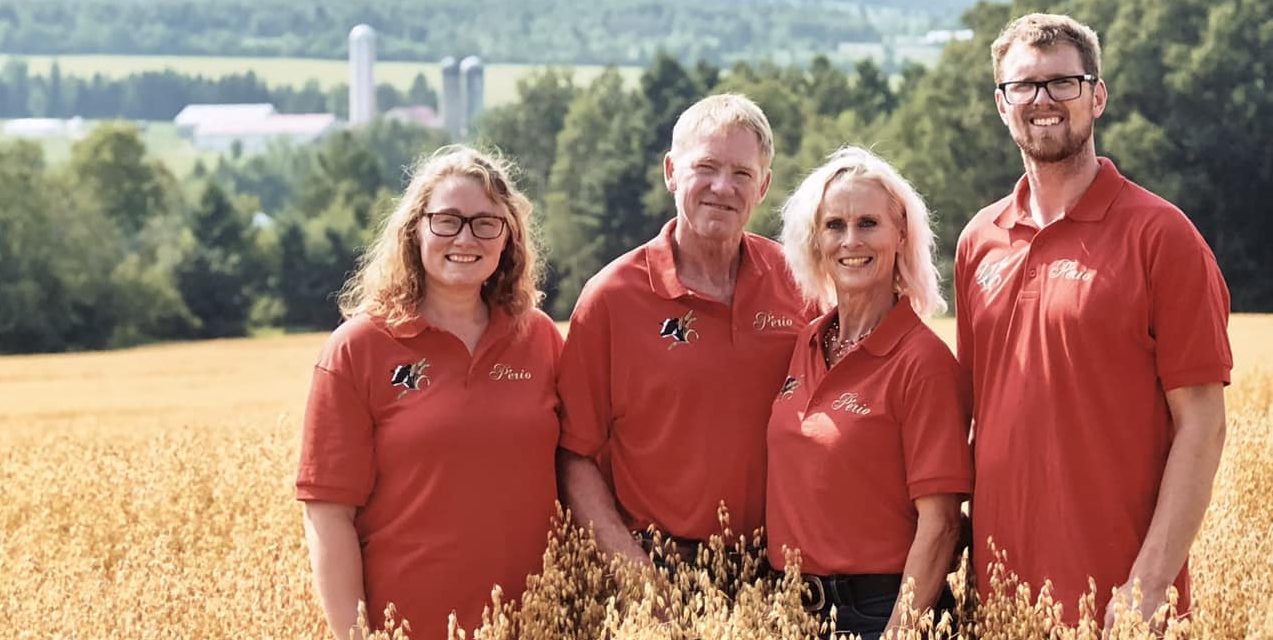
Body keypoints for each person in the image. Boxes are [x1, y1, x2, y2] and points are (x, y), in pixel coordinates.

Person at [955, 13, 1232, 628]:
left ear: (1097, 96)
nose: (1042, 101)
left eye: (1063, 83)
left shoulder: (1162, 237)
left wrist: (1149, 582)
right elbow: (970, 417)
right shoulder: (979, 240)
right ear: (1002, 106)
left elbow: (1203, 424)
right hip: (998, 601)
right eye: (1022, 86)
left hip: (1117, 604)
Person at [295, 145, 563, 640]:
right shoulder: (359, 348)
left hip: (535, 625)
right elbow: (328, 511)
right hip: (407, 628)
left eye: (487, 223)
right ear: (415, 229)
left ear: (509, 238)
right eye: (447, 220)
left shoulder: (540, 339)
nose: (466, 237)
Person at [556, 94, 813, 566]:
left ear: (764, 186)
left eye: (742, 173)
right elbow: (574, 456)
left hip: (783, 570)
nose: (723, 186)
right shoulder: (611, 297)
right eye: (706, 167)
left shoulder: (799, 283)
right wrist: (636, 576)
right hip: (660, 566)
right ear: (672, 171)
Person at [767, 147, 971, 639]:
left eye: (868, 224)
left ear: (901, 234)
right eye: (835, 225)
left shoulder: (922, 362)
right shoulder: (807, 342)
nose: (850, 241)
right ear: (816, 240)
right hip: (788, 609)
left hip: (880, 613)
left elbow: (941, 524)